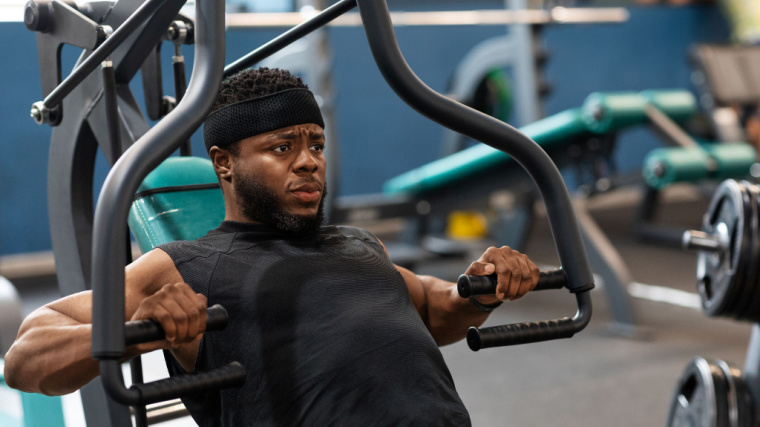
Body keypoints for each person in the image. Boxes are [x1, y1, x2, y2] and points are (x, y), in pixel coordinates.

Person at [3, 67, 540, 426]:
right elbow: (25, 358)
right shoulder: (184, 266)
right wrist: (138, 330)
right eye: (282, 147)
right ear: (224, 164)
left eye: (316, 145)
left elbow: (435, 311)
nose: (308, 161)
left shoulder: (358, 244)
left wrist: (486, 288)